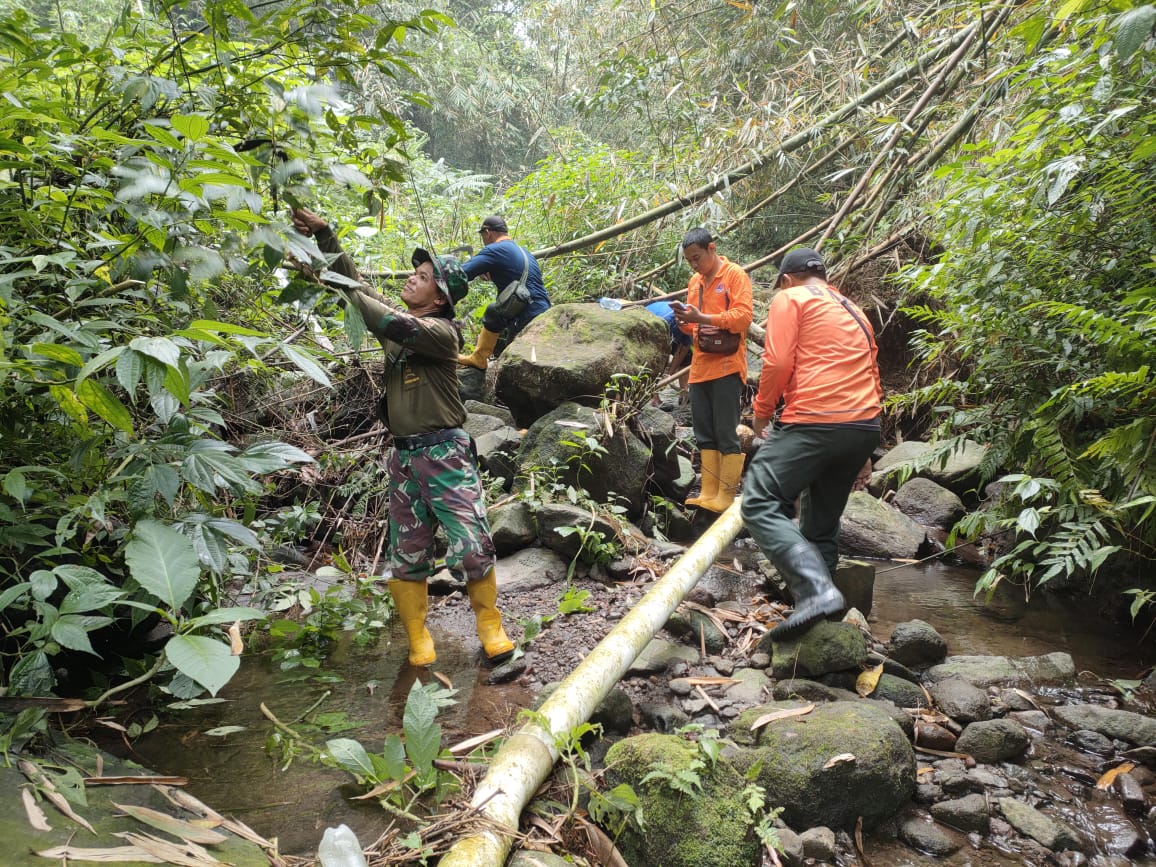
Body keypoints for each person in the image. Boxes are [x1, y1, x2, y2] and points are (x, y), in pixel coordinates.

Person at [289, 207, 515, 666]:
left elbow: (372, 309)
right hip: (405, 457)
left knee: (471, 543)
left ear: (439, 298)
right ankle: (418, 638)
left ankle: (490, 625)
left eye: (424, 276)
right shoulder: (402, 328)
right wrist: (326, 235)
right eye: (414, 272)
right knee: (406, 552)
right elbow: (361, 289)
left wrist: (334, 283)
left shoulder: (440, 333)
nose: (412, 279)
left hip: (446, 453)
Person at [741, 247, 883, 640]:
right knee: (820, 526)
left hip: (816, 419)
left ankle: (817, 592)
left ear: (786, 279)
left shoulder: (790, 298)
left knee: (758, 501)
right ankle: (822, 618)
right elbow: (871, 371)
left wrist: (762, 414)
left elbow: (778, 362)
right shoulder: (853, 308)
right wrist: (865, 452)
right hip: (863, 426)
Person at [672, 228, 753, 513]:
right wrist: (684, 320)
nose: (694, 265)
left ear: (712, 248)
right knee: (704, 432)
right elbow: (693, 327)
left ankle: (726, 496)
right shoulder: (695, 281)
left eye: (697, 258)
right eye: (690, 261)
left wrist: (702, 316)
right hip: (700, 367)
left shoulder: (734, 275)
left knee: (725, 431)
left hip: (728, 365)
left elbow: (742, 318)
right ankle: (708, 492)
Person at [457, 215, 550, 369]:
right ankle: (479, 358)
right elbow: (517, 276)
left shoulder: (494, 250)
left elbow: (461, 273)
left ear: (487, 233)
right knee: (494, 311)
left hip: (524, 316)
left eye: (482, 236)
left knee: (517, 368)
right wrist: (492, 272)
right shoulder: (524, 251)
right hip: (543, 310)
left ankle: (479, 358)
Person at [644, 299, 693, 400]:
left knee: (688, 356)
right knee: (655, 362)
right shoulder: (664, 321)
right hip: (649, 329)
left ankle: (684, 391)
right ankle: (654, 397)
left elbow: (683, 349)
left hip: (674, 330)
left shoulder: (690, 322)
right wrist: (665, 376)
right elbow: (656, 353)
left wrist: (670, 374)